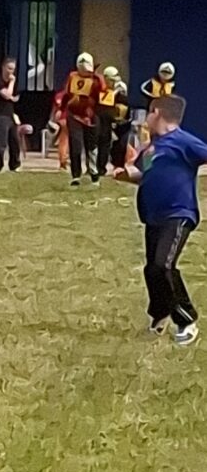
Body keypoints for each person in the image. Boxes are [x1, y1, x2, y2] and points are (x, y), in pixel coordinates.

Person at [115, 94, 207, 347]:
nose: (146, 120)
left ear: (157, 113)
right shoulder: (152, 148)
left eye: (148, 114)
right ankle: (160, 315)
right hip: (153, 215)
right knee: (152, 269)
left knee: (162, 266)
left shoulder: (184, 142)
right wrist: (125, 173)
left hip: (178, 214)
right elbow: (141, 173)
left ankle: (187, 320)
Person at [62, 51, 104, 187]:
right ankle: (76, 175)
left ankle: (94, 173)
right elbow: (66, 94)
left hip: (91, 116)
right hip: (74, 115)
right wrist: (61, 110)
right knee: (75, 145)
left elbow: (101, 94)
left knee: (92, 146)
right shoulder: (72, 77)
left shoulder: (96, 80)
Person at [96, 66, 131, 176]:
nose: (113, 82)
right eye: (111, 80)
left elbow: (124, 104)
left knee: (120, 144)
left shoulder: (120, 87)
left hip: (120, 120)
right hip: (104, 119)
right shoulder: (100, 87)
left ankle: (116, 166)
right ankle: (99, 167)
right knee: (102, 142)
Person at [0, 56, 21, 172]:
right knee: (1, 142)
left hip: (10, 114)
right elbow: (8, 95)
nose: (11, 72)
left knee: (14, 141)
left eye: (13, 69)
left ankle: (15, 165)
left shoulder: (14, 83)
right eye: (9, 68)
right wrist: (11, 83)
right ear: (3, 67)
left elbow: (16, 98)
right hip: (0, 114)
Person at [48, 87, 69, 171]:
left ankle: (64, 161)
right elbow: (57, 107)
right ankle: (63, 162)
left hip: (72, 119)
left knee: (66, 141)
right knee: (64, 141)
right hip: (64, 119)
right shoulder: (61, 95)